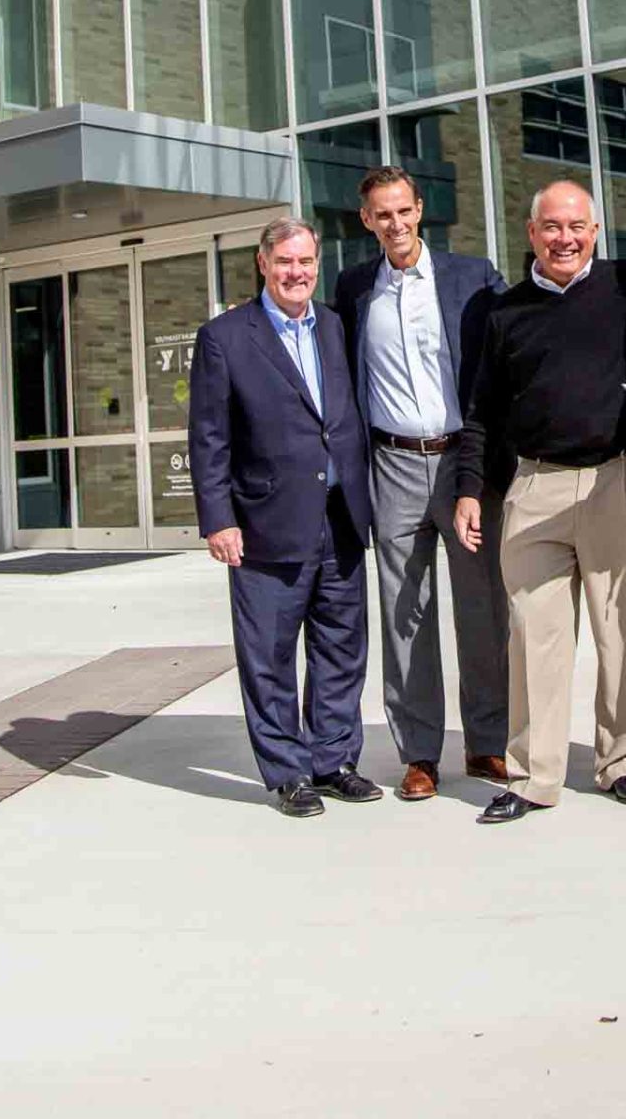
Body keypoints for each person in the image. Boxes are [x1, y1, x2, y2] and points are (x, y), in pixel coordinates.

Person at [454, 180, 626, 824]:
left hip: (619, 477)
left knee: (622, 629)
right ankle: (533, 776)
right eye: (551, 227)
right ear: (532, 234)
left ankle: (623, 760)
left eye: (576, 226)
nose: (564, 238)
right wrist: (469, 487)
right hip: (536, 485)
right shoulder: (502, 311)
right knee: (533, 637)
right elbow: (481, 410)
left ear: (596, 231)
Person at [188, 215, 381, 819]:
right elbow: (209, 437)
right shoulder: (224, 337)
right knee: (269, 653)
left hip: (340, 515)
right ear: (263, 265)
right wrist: (218, 519)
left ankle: (334, 760)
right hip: (266, 519)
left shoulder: (333, 325)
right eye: (285, 263)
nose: (296, 273)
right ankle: (287, 771)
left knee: (341, 647)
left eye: (305, 263)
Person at [333, 167, 510, 801]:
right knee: (405, 612)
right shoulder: (354, 288)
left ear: (420, 209)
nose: (396, 224)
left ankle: (489, 742)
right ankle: (419, 753)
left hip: (464, 462)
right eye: (383, 214)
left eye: (404, 211)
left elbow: (510, 348)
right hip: (393, 464)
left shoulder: (471, 277)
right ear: (366, 221)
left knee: (481, 607)